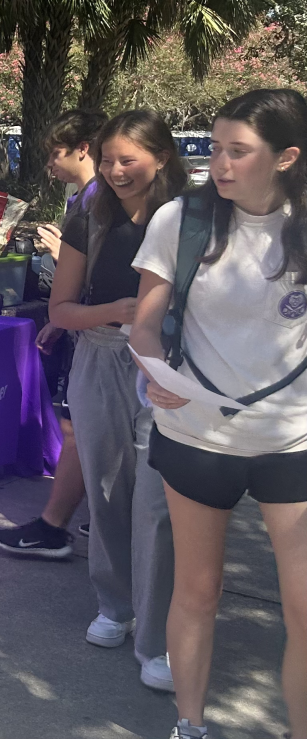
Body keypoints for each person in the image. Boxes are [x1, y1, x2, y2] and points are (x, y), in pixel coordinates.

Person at [130, 89, 307, 739]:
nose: (219, 164)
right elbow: (144, 328)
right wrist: (155, 374)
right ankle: (189, 723)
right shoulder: (184, 219)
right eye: (215, 146)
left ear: (287, 157)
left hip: (293, 439)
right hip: (196, 434)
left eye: (238, 151)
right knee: (198, 591)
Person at [48, 109, 186, 692]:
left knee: (156, 503)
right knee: (106, 489)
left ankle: (158, 638)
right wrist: (120, 312)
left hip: (170, 366)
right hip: (101, 356)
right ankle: (115, 605)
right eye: (106, 159)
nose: (114, 171)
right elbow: (61, 311)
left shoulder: (191, 219)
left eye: (127, 160)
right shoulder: (89, 217)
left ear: (161, 158)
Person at [0, 109, 104, 557]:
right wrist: (59, 317)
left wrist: (63, 256)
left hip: (101, 333)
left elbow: (104, 272)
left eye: (56, 153)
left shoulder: (96, 199)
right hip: (83, 326)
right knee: (83, 428)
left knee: (79, 428)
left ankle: (54, 527)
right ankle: (97, 518)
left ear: (83, 149)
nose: (50, 164)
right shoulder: (83, 198)